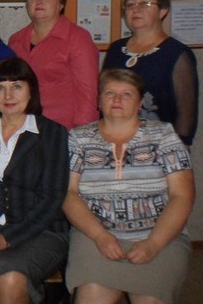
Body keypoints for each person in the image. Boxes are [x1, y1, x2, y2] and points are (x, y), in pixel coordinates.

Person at [63, 69, 195, 304]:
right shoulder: (78, 138)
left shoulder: (163, 135)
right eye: (109, 93)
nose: (116, 99)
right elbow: (68, 194)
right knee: (90, 297)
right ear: (98, 100)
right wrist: (100, 236)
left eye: (126, 94)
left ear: (140, 102)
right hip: (94, 237)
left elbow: (182, 196)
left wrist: (154, 244)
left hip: (160, 236)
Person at [0, 58, 69, 304]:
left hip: (43, 231)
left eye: (17, 86)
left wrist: (6, 238)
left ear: (31, 91)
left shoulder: (53, 133)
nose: (8, 95)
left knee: (12, 280)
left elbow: (52, 197)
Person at [102, 0, 198, 145]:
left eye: (144, 4)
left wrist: (178, 148)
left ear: (163, 10)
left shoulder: (176, 53)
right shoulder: (116, 49)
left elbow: (186, 112)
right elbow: (104, 96)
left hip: (160, 145)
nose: (136, 9)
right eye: (130, 4)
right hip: (115, 141)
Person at [8, 0, 99, 129]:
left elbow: (88, 93)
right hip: (22, 128)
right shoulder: (15, 41)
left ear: (61, 4)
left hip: (62, 130)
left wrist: (83, 134)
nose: (39, 1)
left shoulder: (77, 38)